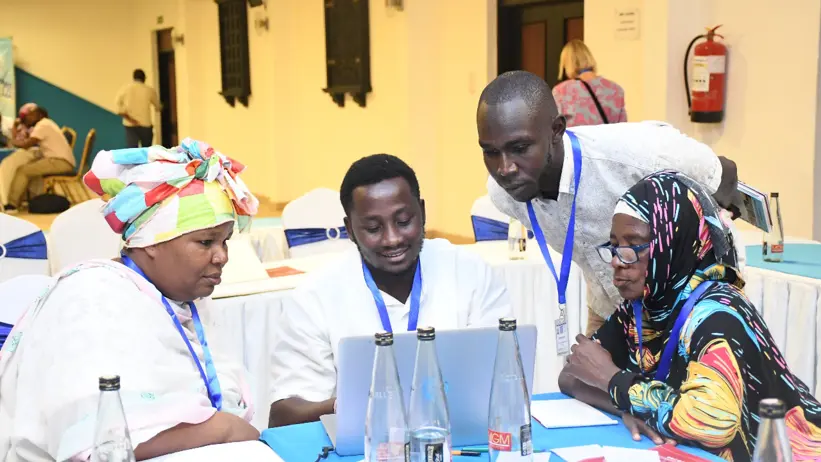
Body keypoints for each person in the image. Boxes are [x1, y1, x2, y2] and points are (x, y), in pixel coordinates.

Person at [0, 139, 261, 461]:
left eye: (225, 241)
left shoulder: (184, 298)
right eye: (205, 242)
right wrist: (225, 430)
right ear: (150, 242)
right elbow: (97, 443)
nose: (221, 256)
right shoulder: (91, 297)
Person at [559, 171, 821, 460]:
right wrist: (625, 406)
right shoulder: (645, 308)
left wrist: (616, 383)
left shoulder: (719, 313)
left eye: (633, 246)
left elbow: (710, 423)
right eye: (614, 246)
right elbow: (572, 376)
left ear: (674, 243)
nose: (618, 262)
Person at [476, 70, 742, 337]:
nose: (505, 168)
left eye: (520, 148)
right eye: (490, 152)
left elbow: (723, 173)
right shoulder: (503, 194)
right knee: (579, 377)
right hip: (610, 309)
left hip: (686, 310)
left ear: (556, 130)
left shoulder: (635, 154)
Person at [268, 154, 512, 427]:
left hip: (462, 437)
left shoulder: (470, 272)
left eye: (404, 221)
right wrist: (356, 404)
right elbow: (284, 413)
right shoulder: (315, 296)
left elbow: (504, 372)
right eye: (373, 228)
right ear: (349, 229)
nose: (392, 238)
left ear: (422, 212)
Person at [2, 103, 75, 211]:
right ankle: (27, 199)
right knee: (30, 167)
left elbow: (26, 144)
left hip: (59, 162)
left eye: (31, 115)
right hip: (62, 160)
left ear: (40, 115)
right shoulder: (47, 123)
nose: (28, 117)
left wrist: (11, 140)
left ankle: (12, 205)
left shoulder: (42, 125)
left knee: (23, 170)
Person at [552, 39, 627, 127]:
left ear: (566, 65)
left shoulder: (561, 91)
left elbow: (553, 130)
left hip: (576, 141)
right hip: (608, 141)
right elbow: (623, 128)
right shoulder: (616, 89)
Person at [116, 69, 161, 148]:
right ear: (144, 78)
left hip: (130, 124)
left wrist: (129, 118)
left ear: (134, 77)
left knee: (132, 150)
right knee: (146, 151)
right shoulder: (149, 90)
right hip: (145, 125)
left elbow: (118, 107)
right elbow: (158, 107)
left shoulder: (125, 89)